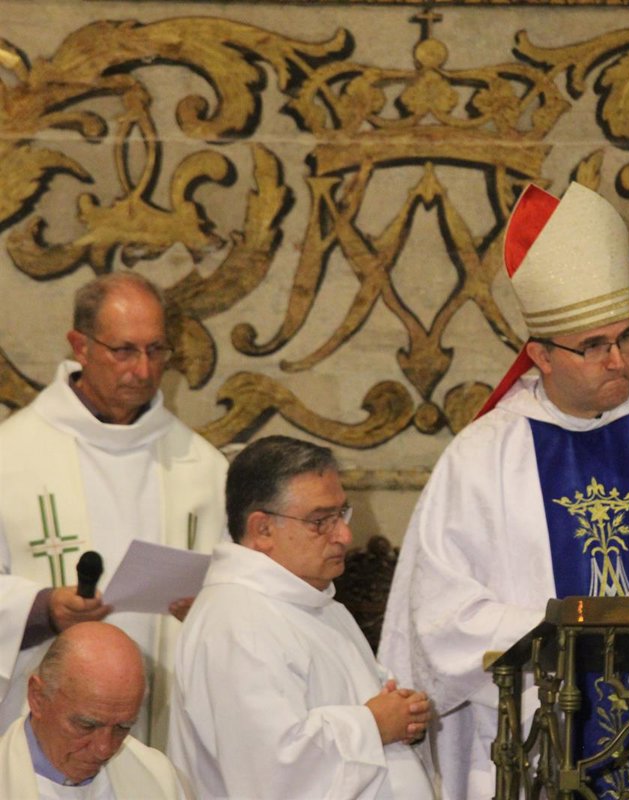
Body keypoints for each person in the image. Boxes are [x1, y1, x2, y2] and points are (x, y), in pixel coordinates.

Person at [379, 182, 629, 799]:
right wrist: (568, 632)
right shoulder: (482, 458)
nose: (619, 360)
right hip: (540, 744)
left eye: (625, 338)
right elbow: (438, 619)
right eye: (594, 346)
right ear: (540, 355)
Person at [0, 272, 228, 747]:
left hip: (166, 720)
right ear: (80, 346)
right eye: (124, 351)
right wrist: (44, 608)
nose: (142, 370)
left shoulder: (203, 467)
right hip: (41, 721)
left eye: (155, 350)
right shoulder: (10, 455)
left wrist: (209, 610)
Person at [169, 435, 435, 799]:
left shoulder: (313, 603)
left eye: (341, 513)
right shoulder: (238, 623)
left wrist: (404, 714)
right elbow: (271, 773)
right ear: (262, 529)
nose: (344, 535)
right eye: (320, 521)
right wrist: (374, 725)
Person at [0, 621, 184, 799]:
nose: (104, 749)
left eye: (122, 727)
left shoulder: (158, 778)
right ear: (38, 697)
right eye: (86, 725)